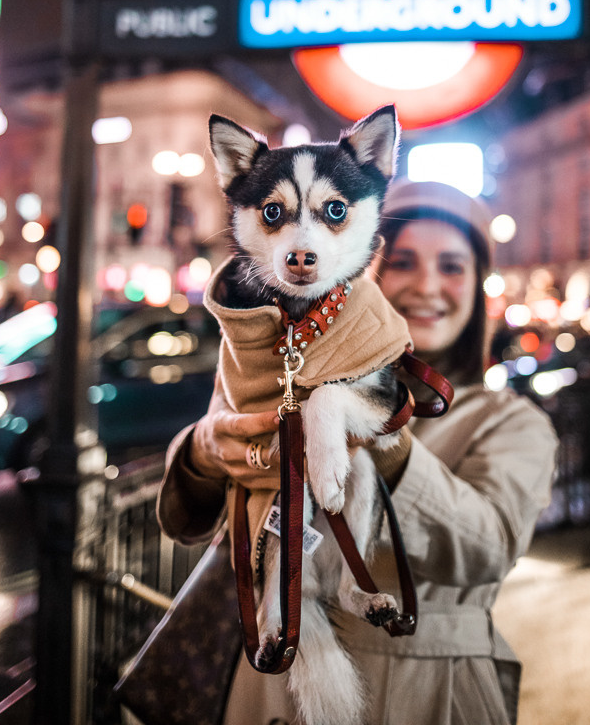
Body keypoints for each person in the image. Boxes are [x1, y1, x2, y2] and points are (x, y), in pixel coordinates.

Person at [156, 179, 558, 725]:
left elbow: (490, 548)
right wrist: (205, 449)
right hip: (270, 682)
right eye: (405, 262)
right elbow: (195, 511)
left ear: (478, 284)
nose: (425, 285)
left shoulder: (508, 420)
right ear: (367, 261)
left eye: (453, 266)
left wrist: (380, 438)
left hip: (422, 692)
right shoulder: (288, 366)